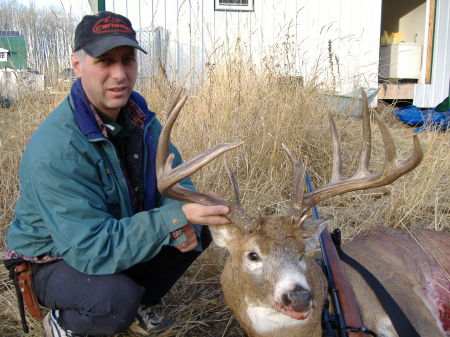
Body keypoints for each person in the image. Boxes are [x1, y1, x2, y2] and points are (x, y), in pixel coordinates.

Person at [3, 11, 230, 337]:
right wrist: (171, 221)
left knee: (200, 225)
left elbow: (179, 187)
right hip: (54, 260)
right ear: (77, 65)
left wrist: (182, 218)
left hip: (113, 233)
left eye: (127, 60)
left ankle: (134, 300)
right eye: (105, 61)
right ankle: (64, 323)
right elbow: (89, 248)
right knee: (114, 300)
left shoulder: (143, 122)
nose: (120, 74)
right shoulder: (56, 150)